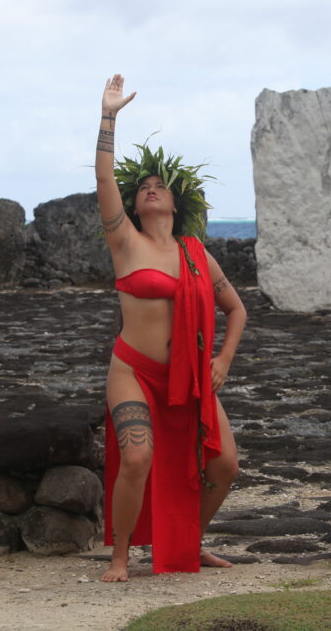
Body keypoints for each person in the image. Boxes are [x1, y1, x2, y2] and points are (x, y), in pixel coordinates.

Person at [96, 74, 246, 582]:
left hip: (189, 375)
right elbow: (103, 180)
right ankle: (120, 558)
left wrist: (222, 360)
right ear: (134, 205)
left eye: (159, 186)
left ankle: (190, 540)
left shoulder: (197, 254)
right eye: (143, 188)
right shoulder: (125, 243)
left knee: (225, 466)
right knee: (137, 457)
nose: (151, 189)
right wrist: (109, 116)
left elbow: (237, 310)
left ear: (176, 203)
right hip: (133, 371)